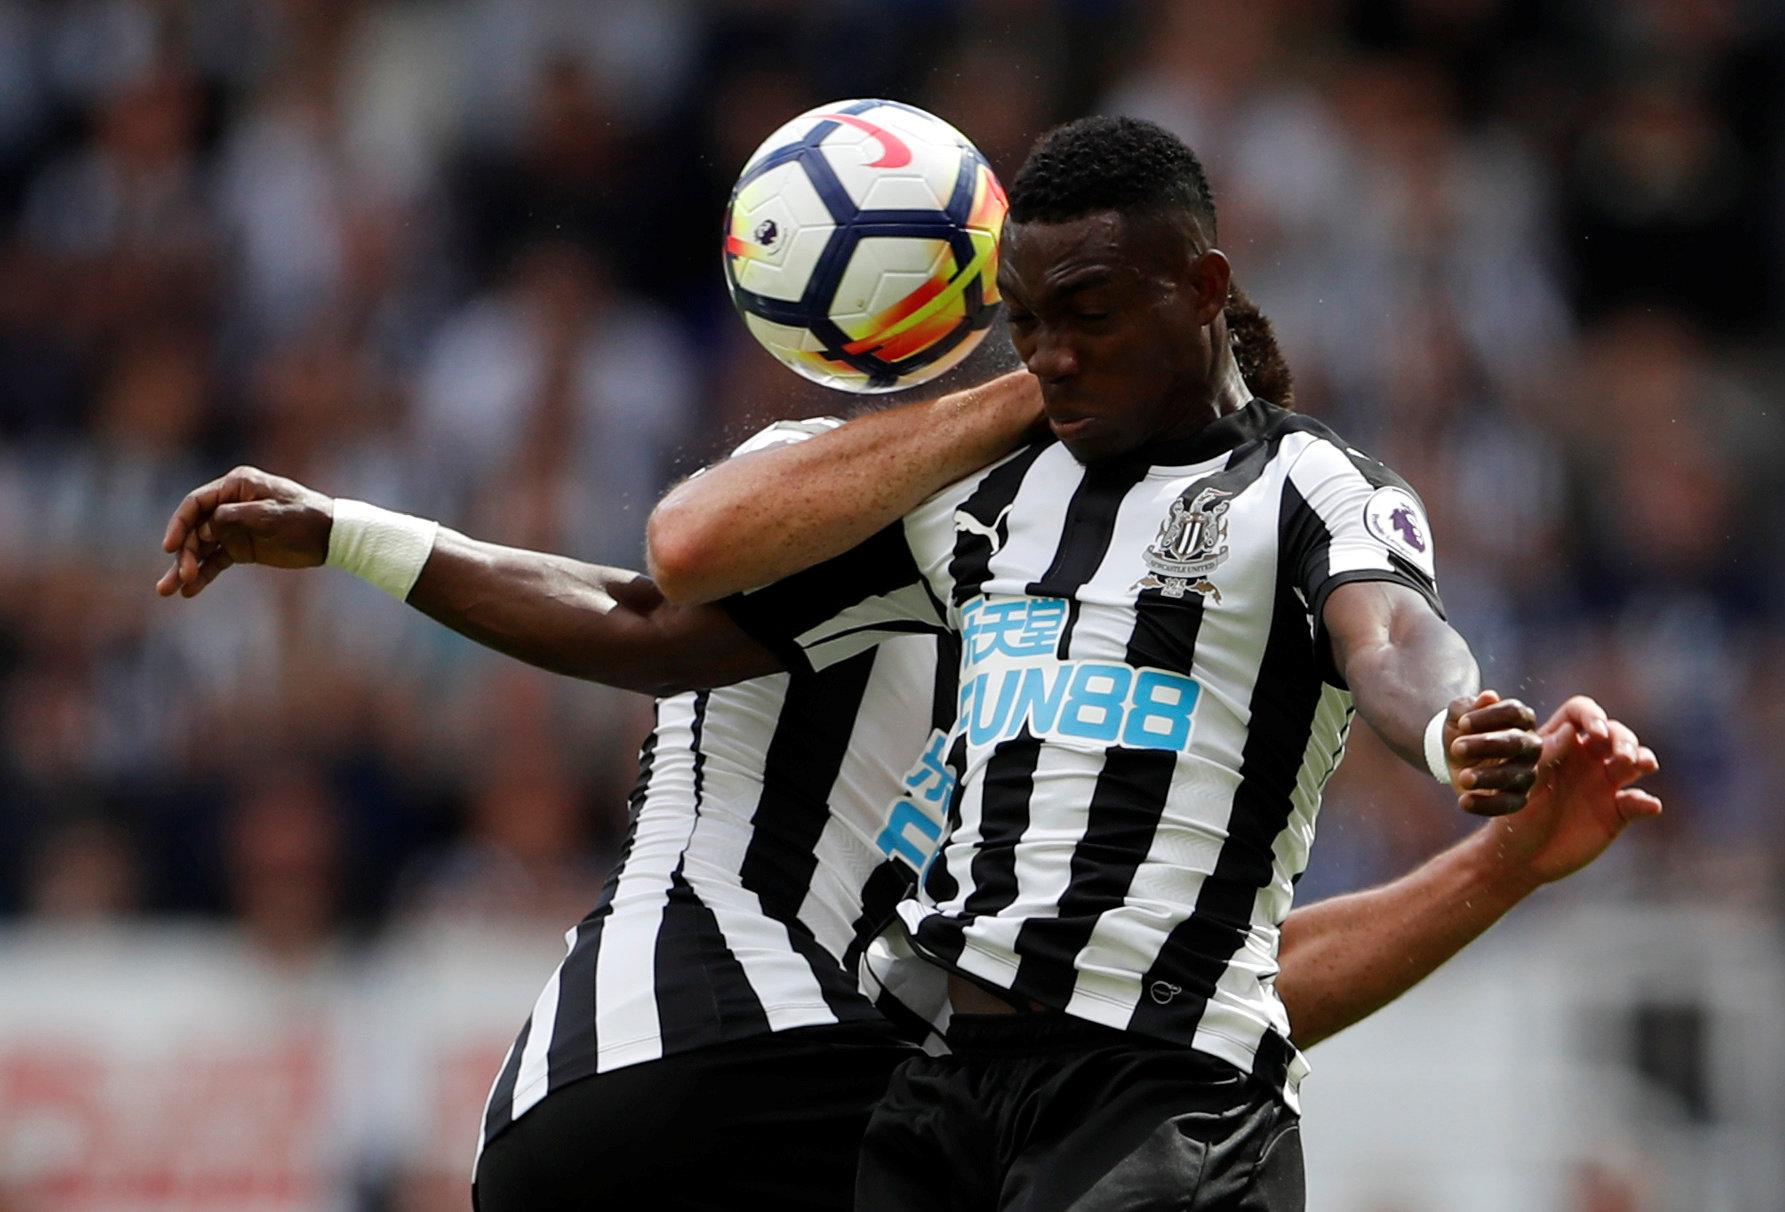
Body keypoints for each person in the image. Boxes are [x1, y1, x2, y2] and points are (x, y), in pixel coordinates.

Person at [157, 454, 1657, 1212]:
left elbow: (1186, 998)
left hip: (577, 1112)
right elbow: (663, 577)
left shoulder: (1077, 758)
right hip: (750, 1067)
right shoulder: (924, 505)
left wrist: (1503, 866)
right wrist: (354, 535)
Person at [642, 115, 1555, 1209]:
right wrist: (442, 557)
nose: (1053, 356)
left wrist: (1452, 728)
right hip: (943, 1087)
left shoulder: (1307, 481)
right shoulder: (991, 498)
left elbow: (1395, 635)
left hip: (1161, 1088)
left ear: (1204, 287)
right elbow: (673, 581)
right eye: (1025, 324)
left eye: (1090, 314)